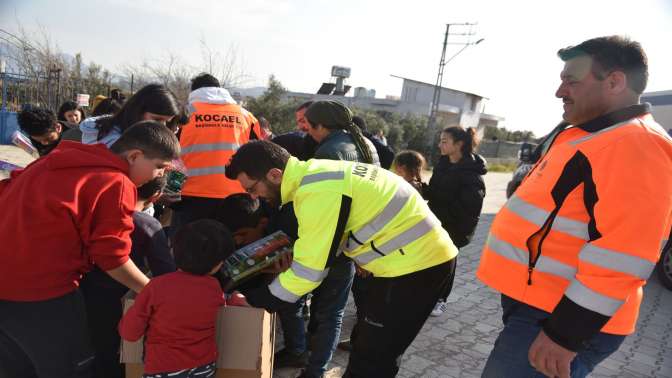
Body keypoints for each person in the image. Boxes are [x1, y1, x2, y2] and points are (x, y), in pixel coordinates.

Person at [478, 36, 672, 378]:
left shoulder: (635, 143)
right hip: (543, 307)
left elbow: (624, 254)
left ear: (614, 82)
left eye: (571, 81)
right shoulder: (593, 136)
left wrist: (565, 334)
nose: (559, 91)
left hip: (560, 319)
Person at [226, 140, 459, 377]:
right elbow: (337, 231)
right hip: (409, 261)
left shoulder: (316, 192)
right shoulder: (316, 172)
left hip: (415, 267)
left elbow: (309, 274)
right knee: (368, 349)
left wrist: (256, 301)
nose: (255, 196)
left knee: (371, 360)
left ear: (275, 175)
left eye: (252, 189)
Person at [0, 121, 180, 378]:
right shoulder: (116, 183)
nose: (160, 175)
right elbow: (112, 257)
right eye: (159, 167)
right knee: (73, 369)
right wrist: (153, 291)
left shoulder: (56, 160)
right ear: (134, 156)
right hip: (43, 295)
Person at [81, 175, 177, 378]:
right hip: (123, 304)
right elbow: (165, 272)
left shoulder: (95, 214)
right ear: (156, 196)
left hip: (83, 295)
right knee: (116, 357)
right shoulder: (148, 225)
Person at [119, 219, 236, 377]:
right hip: (203, 366)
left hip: (162, 367)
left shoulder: (156, 287)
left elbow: (130, 333)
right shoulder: (214, 288)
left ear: (173, 251)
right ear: (217, 265)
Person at [171, 73, 262, 227]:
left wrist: (171, 194)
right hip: (237, 197)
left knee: (187, 247)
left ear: (194, 92)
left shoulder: (183, 115)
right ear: (220, 89)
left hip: (190, 197)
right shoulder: (247, 116)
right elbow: (259, 155)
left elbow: (170, 155)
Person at [426, 126, 486, 316]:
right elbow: (436, 192)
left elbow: (470, 209)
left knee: (446, 262)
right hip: (435, 223)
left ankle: (441, 299)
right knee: (428, 261)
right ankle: (427, 296)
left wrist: (446, 220)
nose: (440, 145)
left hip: (454, 228)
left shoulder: (471, 173)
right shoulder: (443, 163)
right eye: (440, 140)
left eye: (444, 141)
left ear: (459, 144)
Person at [80, 83, 180, 147]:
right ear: (138, 111)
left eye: (166, 121)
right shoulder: (114, 143)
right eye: (157, 119)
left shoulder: (134, 136)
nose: (163, 126)